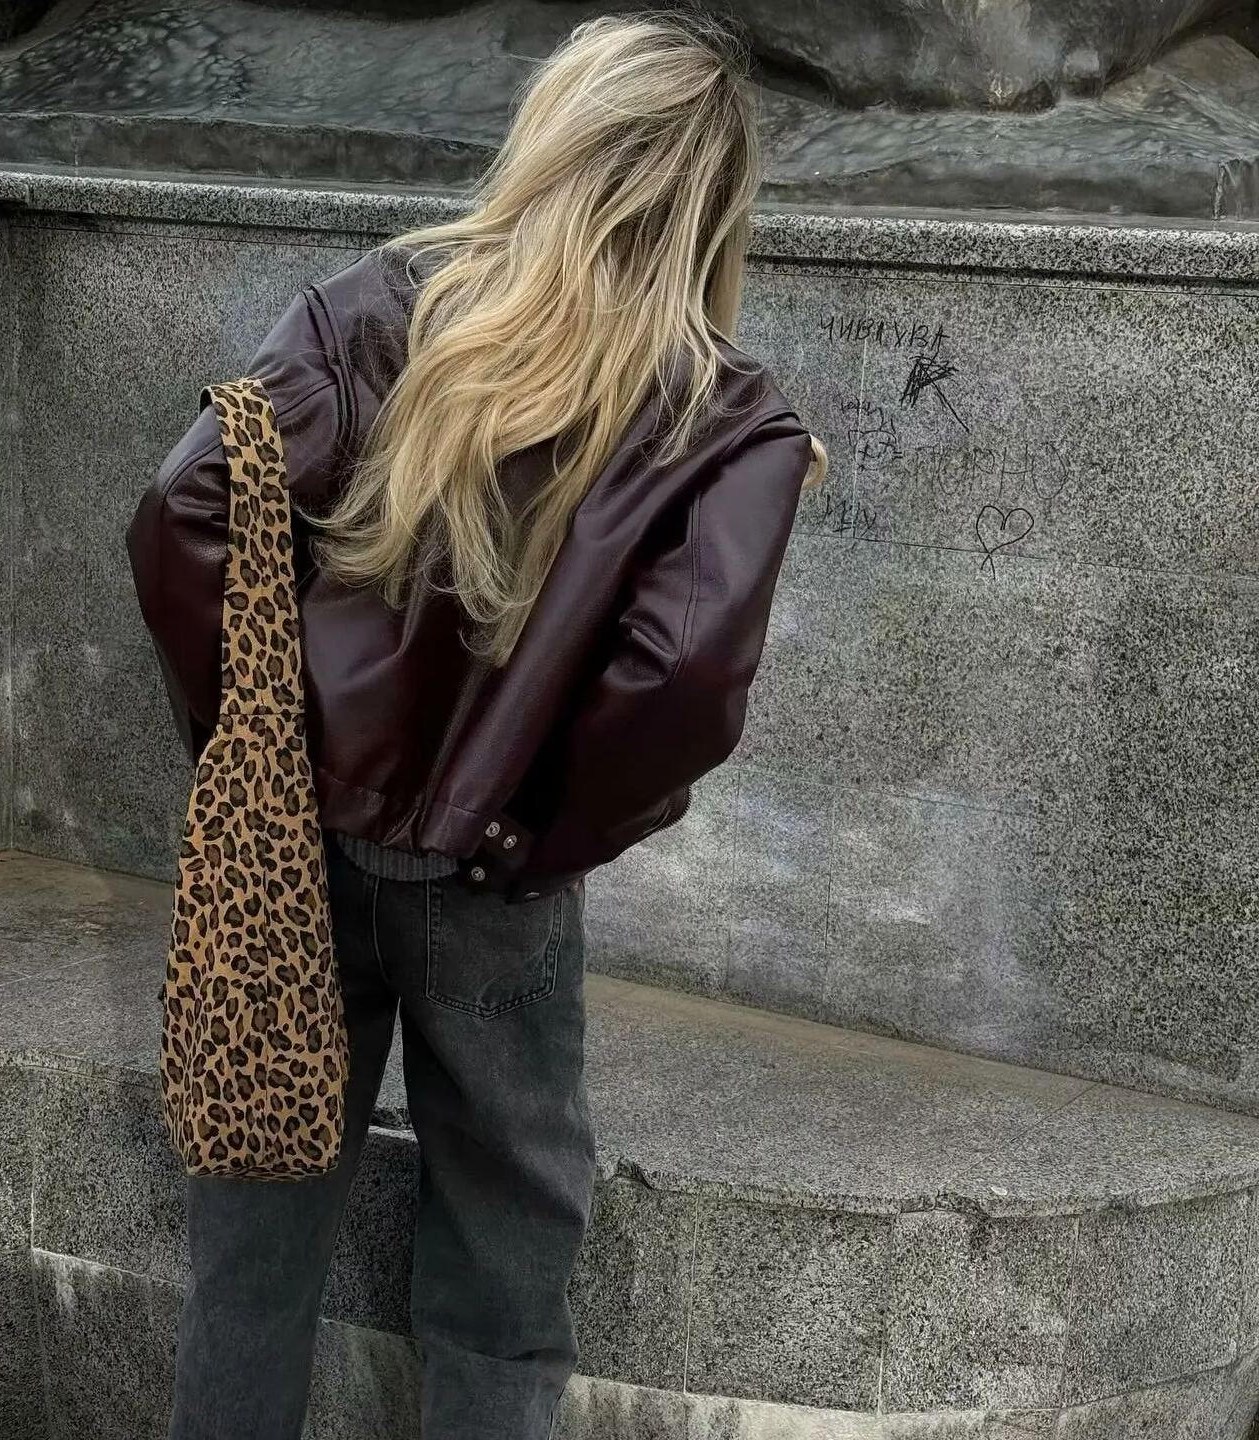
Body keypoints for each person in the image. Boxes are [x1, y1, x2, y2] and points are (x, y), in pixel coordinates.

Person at [126, 10, 825, 1439]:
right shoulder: (726, 413)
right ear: (716, 197)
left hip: (302, 861)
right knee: (504, 1263)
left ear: (551, 136)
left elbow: (183, 512)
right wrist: (538, 831)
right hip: (498, 891)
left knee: (254, 1241)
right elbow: (685, 677)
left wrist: (264, 757)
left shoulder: (378, 306)